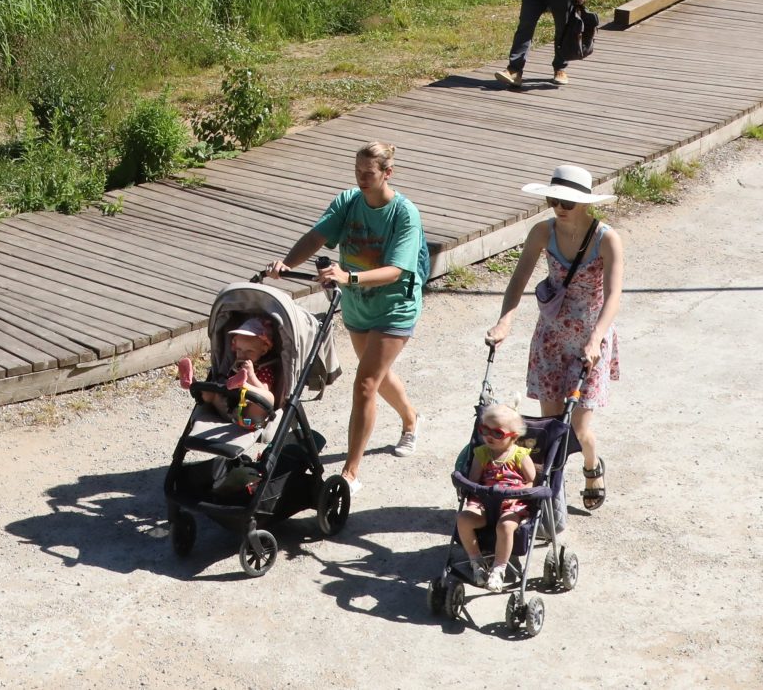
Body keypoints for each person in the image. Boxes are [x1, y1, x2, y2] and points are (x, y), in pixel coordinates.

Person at [270, 141, 423, 487]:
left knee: (366, 384)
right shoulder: (348, 202)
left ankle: (350, 473)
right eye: (357, 172)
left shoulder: (404, 214)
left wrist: (347, 276)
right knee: (377, 376)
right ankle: (411, 418)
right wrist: (286, 263)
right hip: (357, 306)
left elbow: (396, 270)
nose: (361, 179)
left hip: (394, 306)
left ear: (388, 173)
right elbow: (317, 236)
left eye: (368, 174)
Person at [486, 164, 624, 513]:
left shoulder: (606, 238)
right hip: (550, 336)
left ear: (586, 203)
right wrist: (505, 321)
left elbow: (613, 296)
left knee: (578, 426)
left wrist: (595, 340)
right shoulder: (542, 232)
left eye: (568, 202)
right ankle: (553, 503)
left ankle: (592, 464)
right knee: (550, 429)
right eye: (555, 199)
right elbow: (517, 280)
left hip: (589, 340)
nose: (560, 207)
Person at [455, 402, 538, 587]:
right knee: (463, 519)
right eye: (485, 430)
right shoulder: (481, 453)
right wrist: (471, 487)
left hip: (512, 503)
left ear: (513, 437)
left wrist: (520, 493)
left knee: (505, 526)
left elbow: (531, 480)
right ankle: (476, 559)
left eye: (497, 433)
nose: (489, 436)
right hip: (484, 501)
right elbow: (474, 479)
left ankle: (499, 568)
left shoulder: (520, 454)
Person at [175, 316, 281, 430]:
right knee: (211, 392)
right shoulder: (236, 364)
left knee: (268, 398)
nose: (242, 355)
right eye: (239, 350)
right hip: (224, 409)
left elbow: (264, 390)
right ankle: (191, 382)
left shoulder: (264, 369)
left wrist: (251, 376)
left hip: (248, 420)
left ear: (264, 350)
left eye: (249, 351)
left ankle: (242, 385)